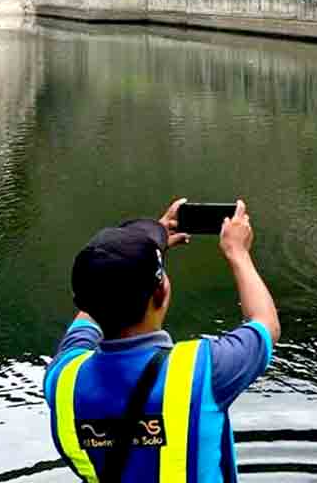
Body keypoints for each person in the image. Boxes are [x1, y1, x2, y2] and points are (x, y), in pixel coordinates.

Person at [44, 199, 280, 483]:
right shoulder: (204, 371)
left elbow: (94, 301)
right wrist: (238, 252)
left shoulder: (62, 379)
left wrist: (144, 250)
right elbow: (265, 323)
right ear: (161, 292)